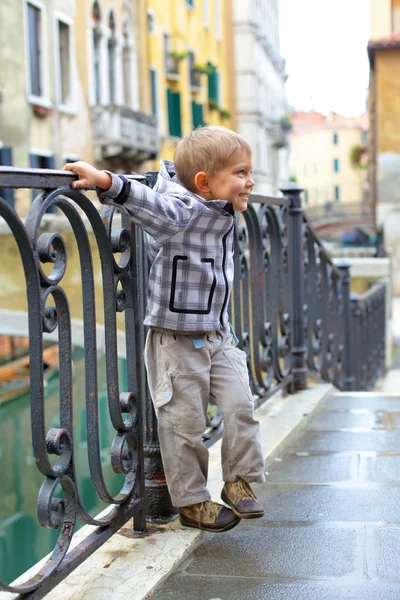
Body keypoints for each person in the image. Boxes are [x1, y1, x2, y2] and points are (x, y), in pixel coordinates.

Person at [63, 125, 266, 533]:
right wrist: (105, 180)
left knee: (241, 404)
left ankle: (239, 480)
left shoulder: (221, 210)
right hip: (175, 341)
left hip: (218, 334)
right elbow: (147, 204)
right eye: (241, 173)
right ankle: (191, 502)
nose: (251, 181)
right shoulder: (180, 213)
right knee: (183, 425)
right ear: (205, 183)